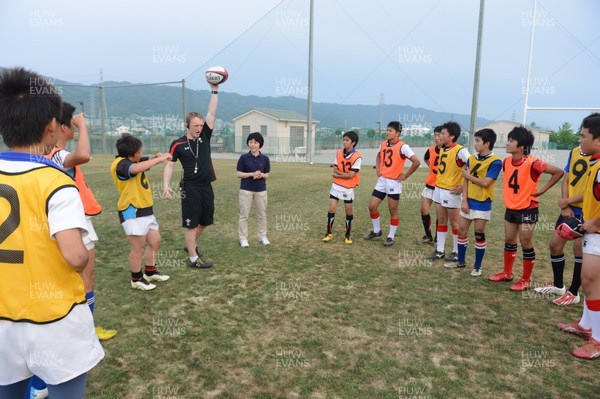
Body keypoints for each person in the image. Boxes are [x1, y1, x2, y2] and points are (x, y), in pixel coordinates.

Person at [0, 67, 104, 399]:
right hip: (53, 318)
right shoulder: (56, 181)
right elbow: (75, 257)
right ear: (50, 127)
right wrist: (84, 253)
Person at [48, 102, 118, 341]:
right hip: (74, 224)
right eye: (73, 126)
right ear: (63, 127)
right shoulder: (56, 153)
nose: (76, 130)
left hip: (62, 223)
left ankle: (79, 329)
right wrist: (85, 127)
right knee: (85, 278)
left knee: (74, 280)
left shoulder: (41, 152)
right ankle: (85, 331)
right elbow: (83, 156)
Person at [488, 126, 563, 290]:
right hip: (511, 207)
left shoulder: (533, 162)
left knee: (526, 242)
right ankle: (507, 273)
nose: (507, 143)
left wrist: (542, 190)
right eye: (508, 139)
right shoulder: (506, 162)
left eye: (511, 140)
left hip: (528, 208)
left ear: (521, 146)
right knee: (509, 240)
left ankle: (526, 280)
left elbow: (558, 172)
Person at [557, 114, 600, 359]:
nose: (579, 140)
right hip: (592, 231)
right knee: (590, 282)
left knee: (592, 282)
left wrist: (594, 222)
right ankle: (586, 326)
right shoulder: (594, 162)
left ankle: (597, 340)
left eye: (584, 135)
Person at [163, 82, 219, 268]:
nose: (198, 128)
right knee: (191, 223)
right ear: (187, 125)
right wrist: (165, 185)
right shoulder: (177, 144)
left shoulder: (205, 136)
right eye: (195, 125)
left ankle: (190, 245)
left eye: (201, 125)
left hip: (206, 185)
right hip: (190, 187)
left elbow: (211, 113)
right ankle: (193, 258)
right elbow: (170, 165)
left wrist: (215, 89)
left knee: (206, 220)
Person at [110, 134, 172, 291]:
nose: (141, 153)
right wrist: (158, 159)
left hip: (146, 211)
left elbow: (146, 160)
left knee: (155, 241)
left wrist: (159, 156)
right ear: (131, 154)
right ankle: (136, 279)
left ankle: (150, 272)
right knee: (138, 247)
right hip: (132, 211)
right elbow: (136, 168)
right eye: (139, 151)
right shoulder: (121, 165)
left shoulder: (133, 159)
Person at [534, 142, 591, 304]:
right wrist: (566, 204)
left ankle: (574, 293)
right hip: (569, 209)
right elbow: (566, 179)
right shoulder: (574, 152)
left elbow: (593, 191)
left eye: (584, 136)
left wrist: (567, 201)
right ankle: (558, 286)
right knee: (555, 245)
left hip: (587, 210)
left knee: (578, 250)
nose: (580, 140)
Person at [443, 129, 501, 276]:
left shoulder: (495, 162)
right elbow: (466, 181)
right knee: (462, 231)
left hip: (483, 202)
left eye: (477, 141)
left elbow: (486, 183)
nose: (475, 144)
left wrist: (468, 176)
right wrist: (464, 200)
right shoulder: (472, 159)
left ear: (487, 144)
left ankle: (477, 266)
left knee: (479, 233)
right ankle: (460, 261)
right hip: (469, 201)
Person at [364, 121, 421, 246]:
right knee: (372, 207)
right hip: (382, 180)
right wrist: (378, 169)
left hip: (394, 182)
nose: (387, 132)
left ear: (397, 133)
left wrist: (405, 175)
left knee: (393, 210)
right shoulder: (383, 144)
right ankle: (377, 230)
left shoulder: (403, 146)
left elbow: (416, 162)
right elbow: (379, 156)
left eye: (390, 131)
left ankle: (391, 236)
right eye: (387, 130)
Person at [428, 121, 470, 261]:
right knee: (441, 220)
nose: (440, 136)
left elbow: (473, 168)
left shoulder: (460, 150)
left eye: (443, 133)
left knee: (455, 223)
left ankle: (456, 251)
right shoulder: (442, 148)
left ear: (452, 136)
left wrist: (463, 187)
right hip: (439, 188)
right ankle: (440, 250)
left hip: (451, 192)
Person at [322, 131, 362, 244]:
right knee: (331, 209)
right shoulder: (339, 153)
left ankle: (347, 235)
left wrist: (338, 175)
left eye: (347, 140)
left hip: (348, 188)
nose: (344, 142)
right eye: (343, 140)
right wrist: (340, 174)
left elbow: (351, 175)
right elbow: (335, 168)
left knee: (348, 211)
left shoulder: (357, 157)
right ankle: (328, 233)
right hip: (336, 185)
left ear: (353, 143)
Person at [236, 132, 271, 247]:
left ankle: (262, 236)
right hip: (246, 189)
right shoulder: (243, 158)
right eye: (250, 142)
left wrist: (261, 175)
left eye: (255, 142)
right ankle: (243, 238)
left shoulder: (265, 159)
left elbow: (267, 174)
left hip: (261, 190)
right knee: (244, 215)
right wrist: (252, 174)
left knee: (262, 215)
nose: (252, 145)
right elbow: (239, 174)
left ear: (260, 144)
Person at [417, 126, 442, 245]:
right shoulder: (431, 150)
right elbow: (426, 159)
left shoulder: (449, 151)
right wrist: (432, 167)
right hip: (429, 185)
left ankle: (438, 239)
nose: (436, 138)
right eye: (435, 135)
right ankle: (428, 236)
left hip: (441, 187)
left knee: (440, 215)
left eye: (439, 135)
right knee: (424, 210)